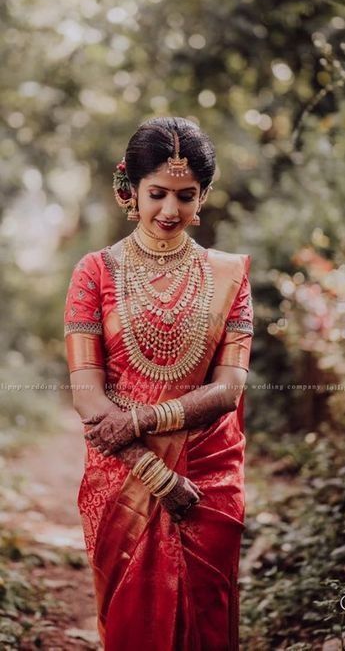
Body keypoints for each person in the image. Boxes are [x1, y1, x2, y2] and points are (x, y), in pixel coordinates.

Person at [63, 116, 254, 650]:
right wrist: (157, 474)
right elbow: (87, 394)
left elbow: (230, 388)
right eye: (157, 194)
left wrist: (144, 418)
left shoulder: (230, 276)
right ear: (131, 190)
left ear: (204, 195)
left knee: (207, 621)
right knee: (131, 624)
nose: (171, 210)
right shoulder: (95, 272)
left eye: (186, 196)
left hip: (208, 477)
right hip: (124, 475)